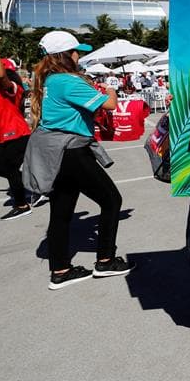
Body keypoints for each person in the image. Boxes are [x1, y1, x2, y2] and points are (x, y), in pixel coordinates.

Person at [24, 30, 133, 290]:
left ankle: (60, 270)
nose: (78, 56)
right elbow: (109, 105)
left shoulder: (50, 79)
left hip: (54, 150)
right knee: (111, 200)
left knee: (61, 211)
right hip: (70, 149)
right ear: (65, 55)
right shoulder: (67, 80)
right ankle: (105, 260)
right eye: (76, 52)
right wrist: (111, 88)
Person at [0, 38, 34, 220]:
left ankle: (22, 205)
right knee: (0, 169)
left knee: (9, 168)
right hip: (6, 137)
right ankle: (33, 185)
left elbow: (2, 76)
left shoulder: (11, 88)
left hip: (18, 135)